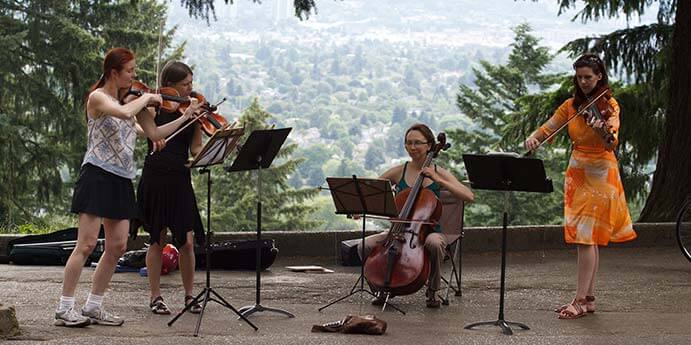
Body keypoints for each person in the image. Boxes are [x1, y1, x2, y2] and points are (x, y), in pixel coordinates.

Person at [54, 47, 200, 327]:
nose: (135, 76)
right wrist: (144, 97)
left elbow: (155, 134)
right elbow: (121, 113)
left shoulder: (133, 100)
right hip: (96, 174)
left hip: (121, 178)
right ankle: (64, 308)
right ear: (114, 73)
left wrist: (186, 117)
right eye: (130, 71)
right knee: (85, 245)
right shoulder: (99, 98)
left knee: (118, 246)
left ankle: (94, 306)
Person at [523, 53, 637, 319]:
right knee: (586, 239)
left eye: (589, 77)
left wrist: (601, 129)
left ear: (599, 77)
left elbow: (611, 142)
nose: (584, 81)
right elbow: (550, 126)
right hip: (577, 173)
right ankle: (588, 299)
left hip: (600, 174)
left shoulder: (610, 106)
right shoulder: (571, 105)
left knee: (586, 238)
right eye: (580, 77)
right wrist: (534, 138)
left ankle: (578, 300)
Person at [358, 123, 474, 308]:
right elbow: (373, 192)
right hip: (396, 232)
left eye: (417, 143)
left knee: (435, 244)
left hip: (429, 231)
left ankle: (433, 291)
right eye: (408, 143)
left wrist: (439, 179)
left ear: (429, 146)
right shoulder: (399, 171)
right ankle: (379, 288)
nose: (412, 147)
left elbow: (468, 195)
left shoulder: (438, 172)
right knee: (364, 246)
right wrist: (360, 208)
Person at [130, 61, 206, 315]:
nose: (190, 90)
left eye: (191, 84)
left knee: (186, 240)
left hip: (180, 179)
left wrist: (212, 149)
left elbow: (195, 148)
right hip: (155, 178)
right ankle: (155, 296)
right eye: (185, 84)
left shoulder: (192, 112)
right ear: (170, 86)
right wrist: (181, 117)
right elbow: (145, 130)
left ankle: (189, 295)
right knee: (156, 239)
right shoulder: (154, 105)